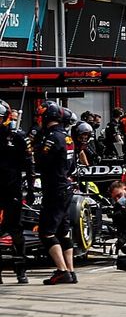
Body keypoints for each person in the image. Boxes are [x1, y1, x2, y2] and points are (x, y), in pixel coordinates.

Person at [33, 103, 77, 285]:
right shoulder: (68, 138)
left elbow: (41, 162)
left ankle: (62, 271)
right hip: (66, 187)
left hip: (55, 188)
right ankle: (71, 271)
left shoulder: (51, 139)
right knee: (63, 232)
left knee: (46, 232)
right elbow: (72, 166)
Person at [0, 100, 33, 284]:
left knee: (15, 230)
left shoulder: (18, 136)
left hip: (12, 188)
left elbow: (29, 165)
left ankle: (21, 270)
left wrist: (29, 189)